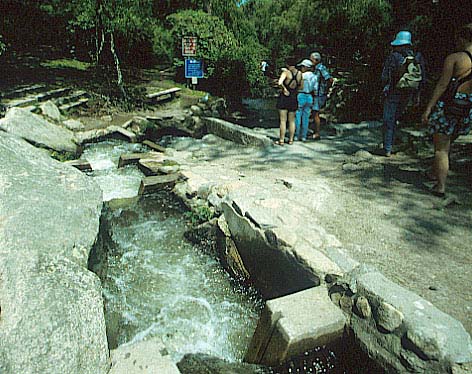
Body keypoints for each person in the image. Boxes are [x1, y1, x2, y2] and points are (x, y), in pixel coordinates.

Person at [421, 23, 472, 197]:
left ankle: (440, 186)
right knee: (447, 144)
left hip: (450, 106)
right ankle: (433, 171)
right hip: (468, 109)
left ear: (461, 38)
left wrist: (428, 108)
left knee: (441, 149)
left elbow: (442, 85)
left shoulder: (454, 58)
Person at [381, 31, 425, 157]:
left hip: (393, 91)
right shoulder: (417, 56)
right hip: (409, 92)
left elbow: (385, 76)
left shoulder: (394, 56)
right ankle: (391, 144)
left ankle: (387, 147)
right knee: (395, 118)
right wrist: (417, 95)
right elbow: (422, 77)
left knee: (388, 119)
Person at [275, 59, 303, 145]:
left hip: (284, 97)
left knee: (283, 120)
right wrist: (295, 91)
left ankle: (281, 140)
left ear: (288, 65)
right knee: (292, 121)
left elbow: (279, 82)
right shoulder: (299, 74)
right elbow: (301, 87)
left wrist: (284, 89)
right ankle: (291, 140)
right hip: (293, 97)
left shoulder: (286, 72)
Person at [309, 52, 333, 140]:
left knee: (315, 113)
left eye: (311, 59)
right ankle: (315, 131)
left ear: (316, 60)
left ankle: (317, 133)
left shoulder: (321, 68)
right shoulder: (315, 69)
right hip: (316, 93)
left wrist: (326, 90)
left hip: (319, 94)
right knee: (314, 113)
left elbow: (329, 79)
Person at [295, 59, 316, 141]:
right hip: (309, 96)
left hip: (301, 95)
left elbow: (299, 86)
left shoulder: (302, 75)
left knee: (297, 116)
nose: (301, 68)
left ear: (305, 67)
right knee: (306, 117)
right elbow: (315, 88)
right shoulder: (314, 76)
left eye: (302, 66)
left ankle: (296, 135)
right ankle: (304, 136)